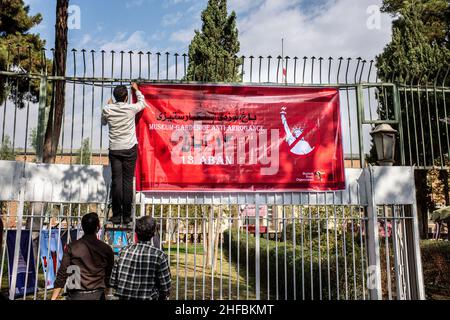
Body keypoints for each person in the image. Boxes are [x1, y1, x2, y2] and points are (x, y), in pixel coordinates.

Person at [102, 82, 148, 225]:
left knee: (117, 182)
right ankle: (127, 216)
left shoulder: (107, 109)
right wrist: (137, 90)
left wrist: (108, 105)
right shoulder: (130, 108)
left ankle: (116, 216)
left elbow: (103, 122)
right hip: (129, 149)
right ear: (126, 97)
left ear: (115, 97)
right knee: (127, 182)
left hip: (115, 149)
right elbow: (142, 103)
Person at [51, 213, 114, 300]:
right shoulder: (106, 249)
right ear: (98, 227)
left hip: (76, 295)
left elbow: (62, 273)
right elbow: (109, 275)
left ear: (83, 227)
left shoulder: (72, 247)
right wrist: (106, 293)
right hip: (97, 295)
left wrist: (53, 298)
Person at [110, 216, 171, 300]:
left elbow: (113, 282)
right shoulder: (159, 256)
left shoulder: (122, 252)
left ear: (136, 232)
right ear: (154, 233)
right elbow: (166, 288)